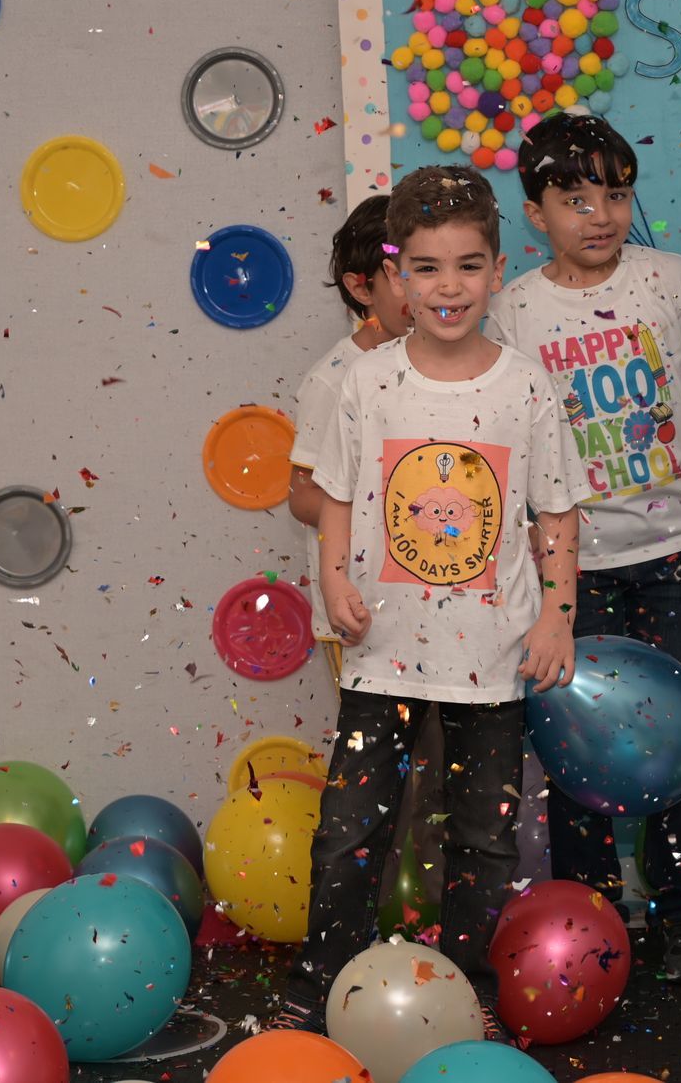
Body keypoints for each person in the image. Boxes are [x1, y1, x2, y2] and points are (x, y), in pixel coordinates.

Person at [269, 165, 581, 1035]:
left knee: (484, 838)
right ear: (396, 276)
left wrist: (557, 614)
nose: (450, 288)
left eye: (470, 266)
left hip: (493, 656)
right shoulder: (369, 382)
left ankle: (465, 983)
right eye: (430, 269)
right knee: (351, 832)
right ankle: (321, 975)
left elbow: (557, 511)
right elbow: (333, 492)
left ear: (496, 267)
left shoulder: (523, 384)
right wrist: (334, 577)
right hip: (383, 652)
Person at [484, 110, 681, 979]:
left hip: (672, 550)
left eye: (617, 194)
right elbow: (508, 439)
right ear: (535, 212)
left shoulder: (667, 280)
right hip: (574, 566)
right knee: (576, 748)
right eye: (576, 198)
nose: (599, 214)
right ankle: (590, 917)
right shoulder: (514, 308)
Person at [288, 194, 410, 677]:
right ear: (361, 289)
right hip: (359, 612)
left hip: (430, 605)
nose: (425, 289)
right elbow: (302, 498)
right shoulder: (334, 379)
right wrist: (389, 506)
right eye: (403, 274)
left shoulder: (446, 367)